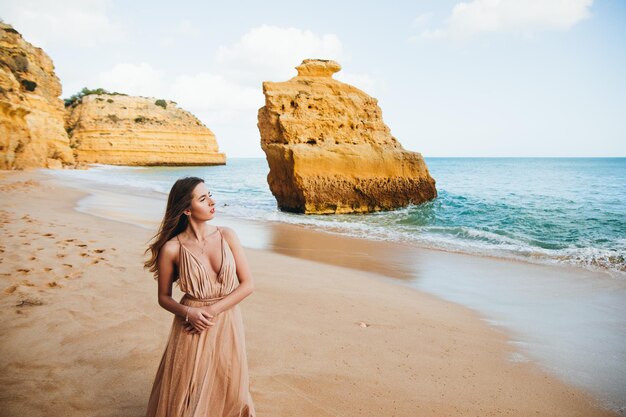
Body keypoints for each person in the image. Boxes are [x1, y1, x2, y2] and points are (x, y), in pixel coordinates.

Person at [144, 176, 255, 417]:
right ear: (186, 209)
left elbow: (247, 285)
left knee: (230, 384)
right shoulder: (172, 248)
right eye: (203, 199)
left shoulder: (227, 235)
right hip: (191, 324)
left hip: (225, 319)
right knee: (188, 387)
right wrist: (189, 312)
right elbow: (164, 297)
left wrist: (211, 312)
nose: (212, 202)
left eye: (210, 195)